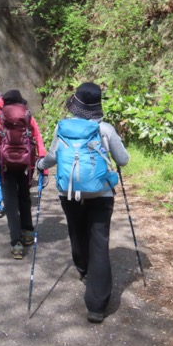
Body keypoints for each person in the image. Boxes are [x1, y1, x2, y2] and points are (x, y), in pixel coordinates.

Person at [37, 82, 129, 323]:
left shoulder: (62, 127)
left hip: (69, 192)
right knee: (100, 243)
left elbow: (53, 156)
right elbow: (123, 159)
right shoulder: (106, 129)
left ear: (75, 104)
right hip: (101, 195)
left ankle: (83, 269)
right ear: (98, 106)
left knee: (76, 231)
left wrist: (40, 166)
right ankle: (96, 306)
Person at [0, 89, 46, 259]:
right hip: (25, 166)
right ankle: (27, 233)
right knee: (25, 198)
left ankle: (16, 243)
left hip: (5, 166)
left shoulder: (0, 118)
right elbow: (39, 141)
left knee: (10, 204)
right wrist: (43, 169)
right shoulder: (27, 117)